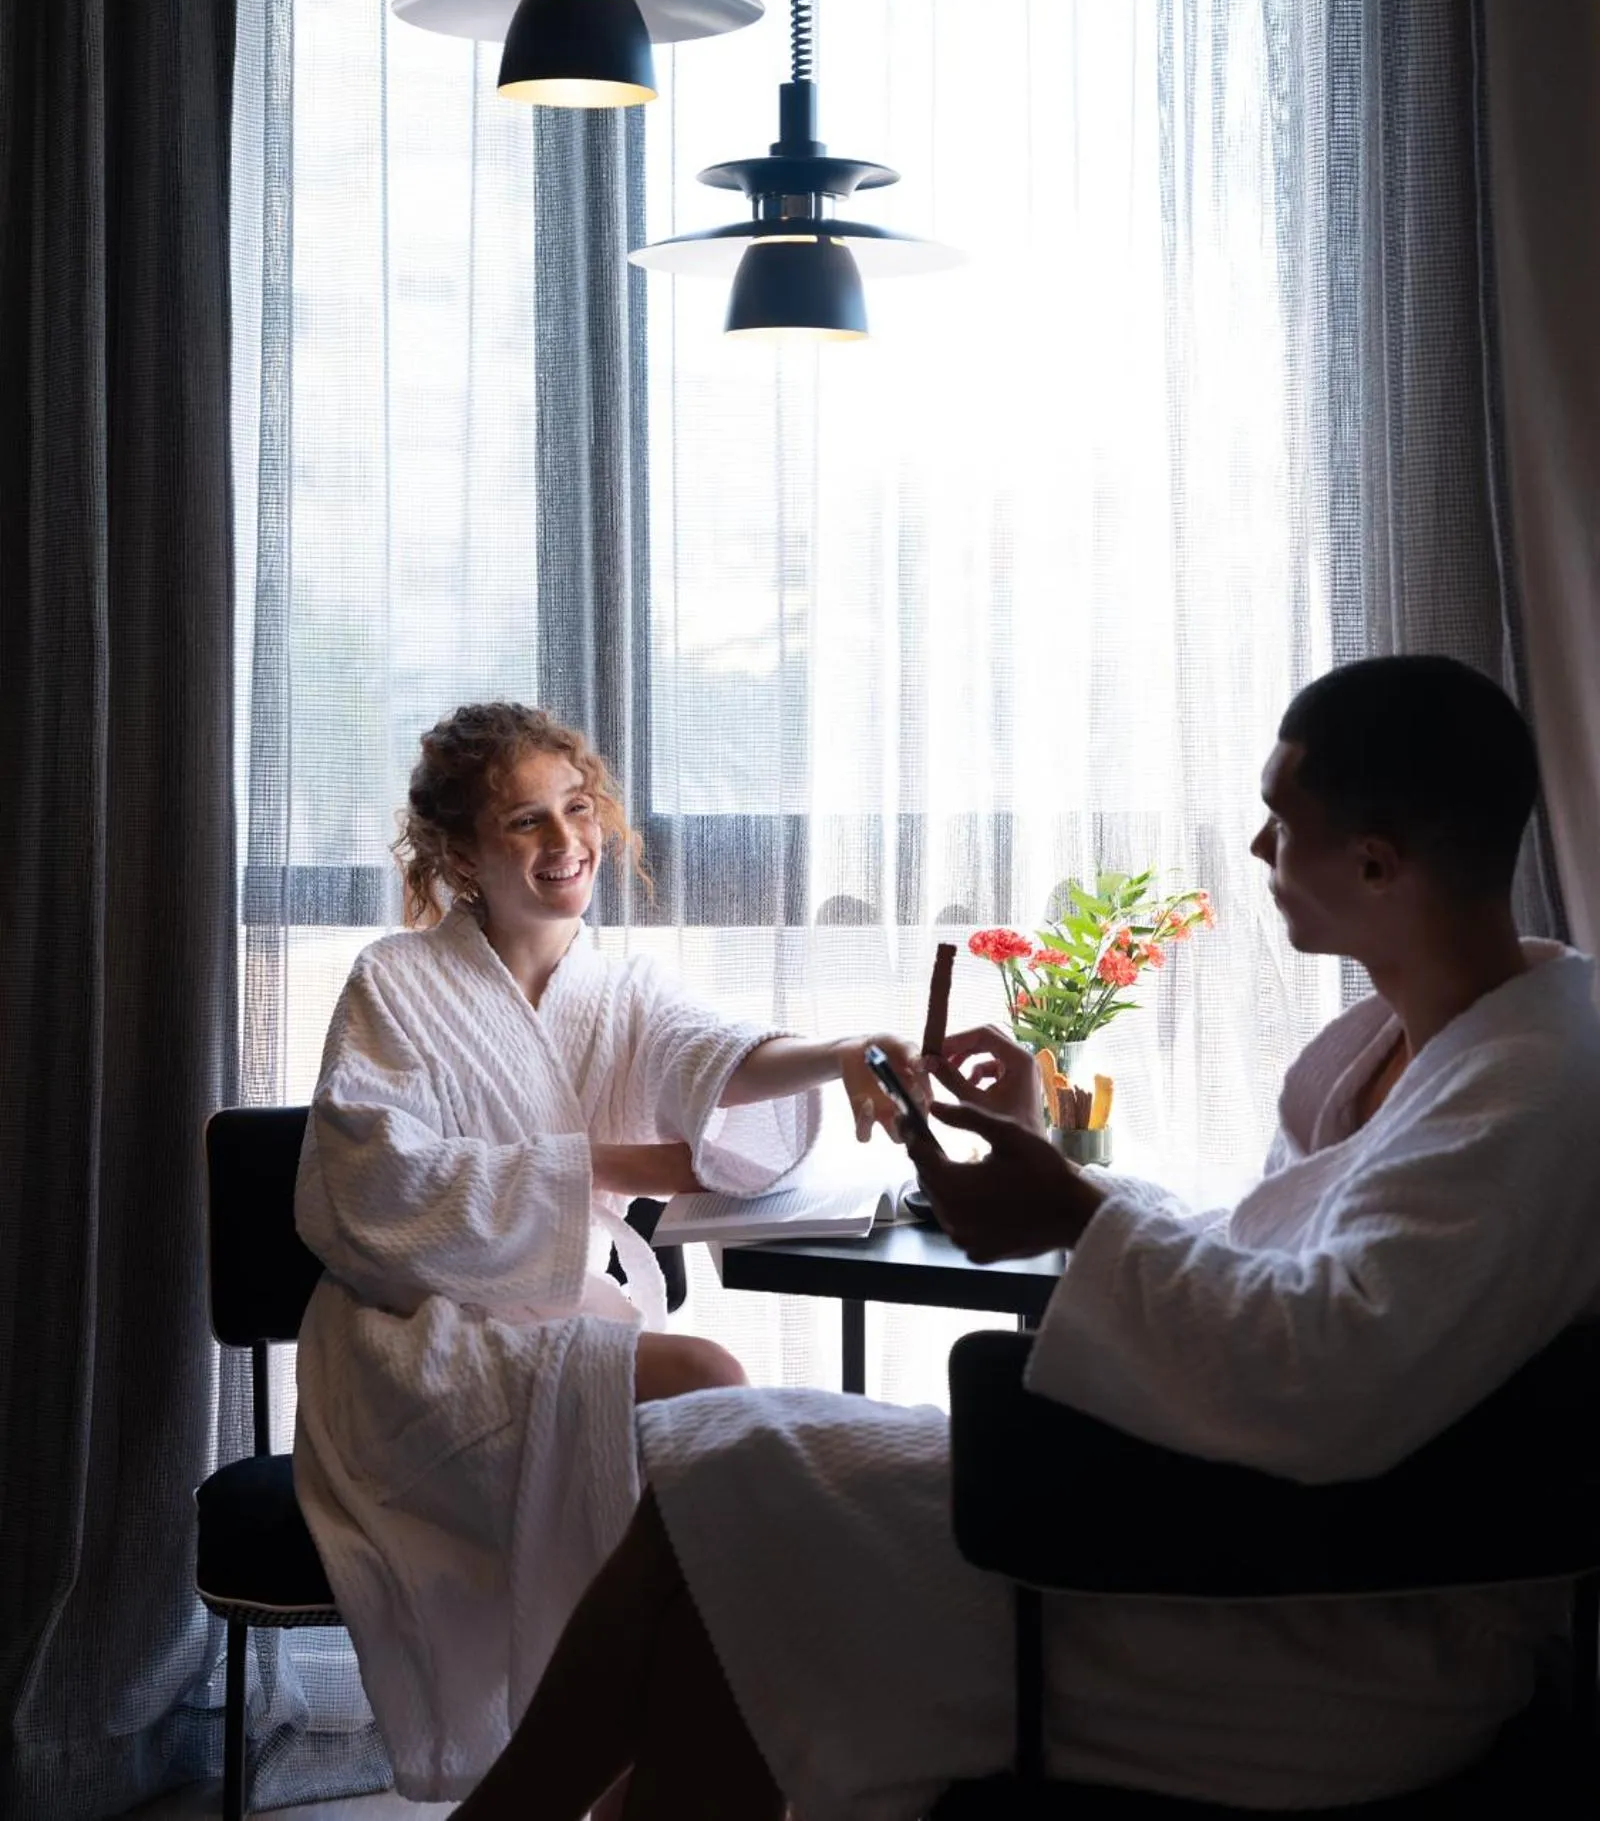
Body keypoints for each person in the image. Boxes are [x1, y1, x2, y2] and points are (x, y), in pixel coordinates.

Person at [452, 655, 1600, 1821]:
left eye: (1278, 823)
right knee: (731, 1523)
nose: (1257, 852)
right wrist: (1051, 1167)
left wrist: (1070, 1210)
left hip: (1334, 1622)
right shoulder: (1392, 1053)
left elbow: (1328, 1369)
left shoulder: (1536, 1086)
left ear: (1374, 861)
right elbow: (1271, 1280)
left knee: (734, 1481)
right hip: (1240, 1537)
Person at [290, 700, 920, 1805]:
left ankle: (643, 1763)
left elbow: (718, 1055)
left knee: (706, 1434)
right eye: (524, 823)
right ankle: (636, 1766)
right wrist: (610, 1165)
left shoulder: (621, 985)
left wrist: (843, 1051)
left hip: (565, 1315)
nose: (565, 842)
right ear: (459, 854)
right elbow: (372, 1186)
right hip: (415, 1346)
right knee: (713, 1390)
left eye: (576, 809)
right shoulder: (394, 984)